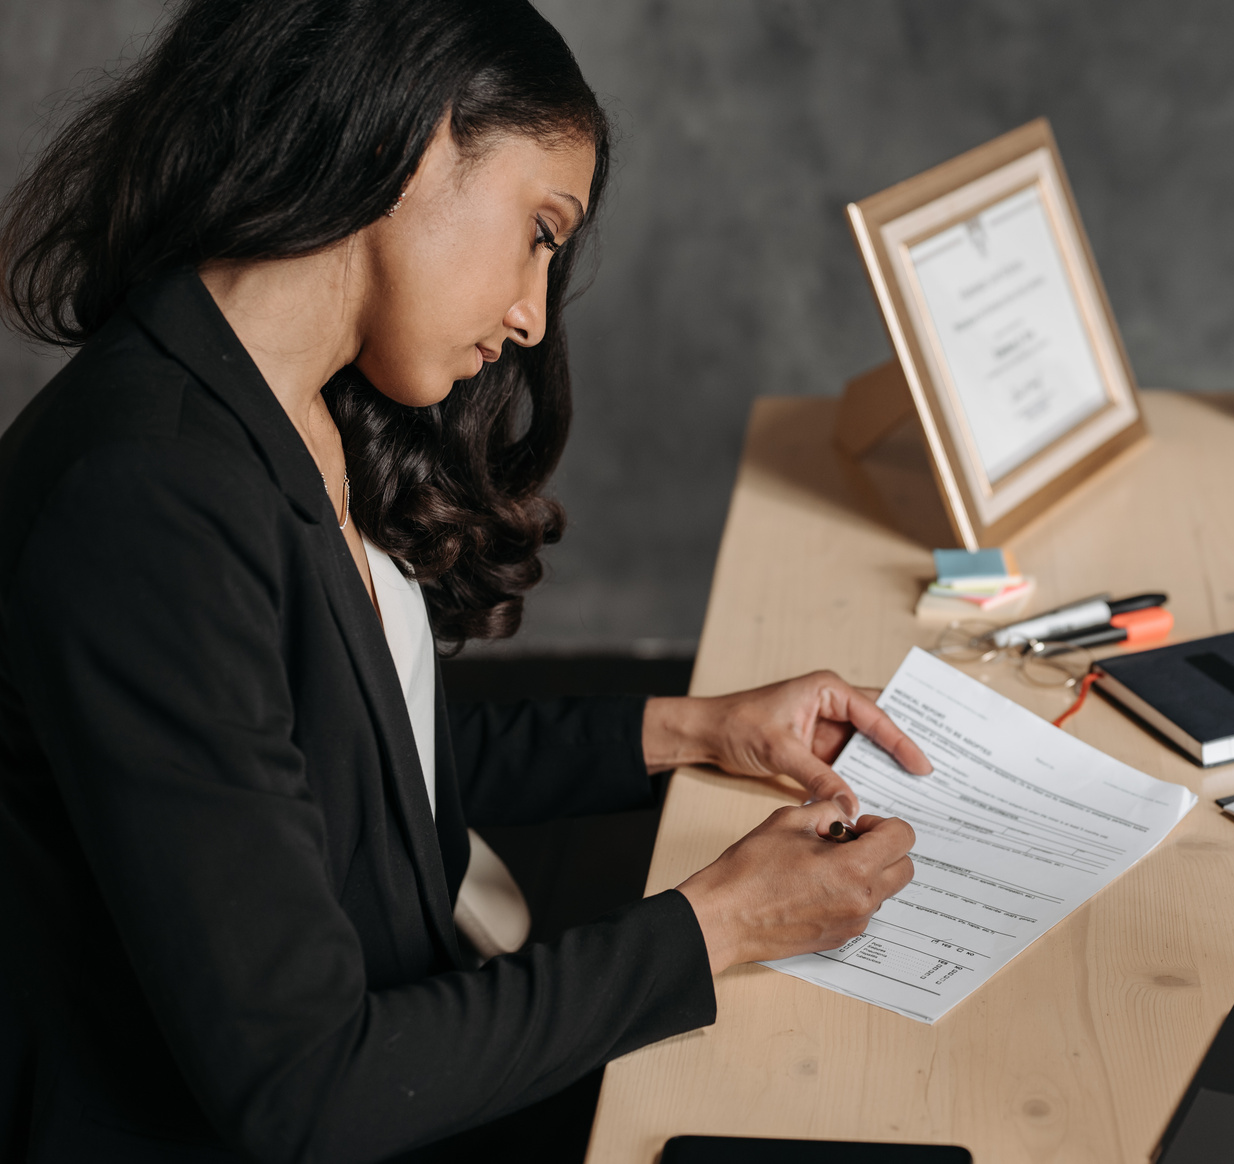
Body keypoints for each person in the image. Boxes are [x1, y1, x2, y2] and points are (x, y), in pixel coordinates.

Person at [0, 1, 927, 1160]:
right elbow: (305, 1090)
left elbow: (356, 773)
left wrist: (697, 729)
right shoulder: (146, 503)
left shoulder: (300, 403)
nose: (535, 315)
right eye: (540, 230)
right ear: (413, 137)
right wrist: (720, 924)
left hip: (428, 1033)